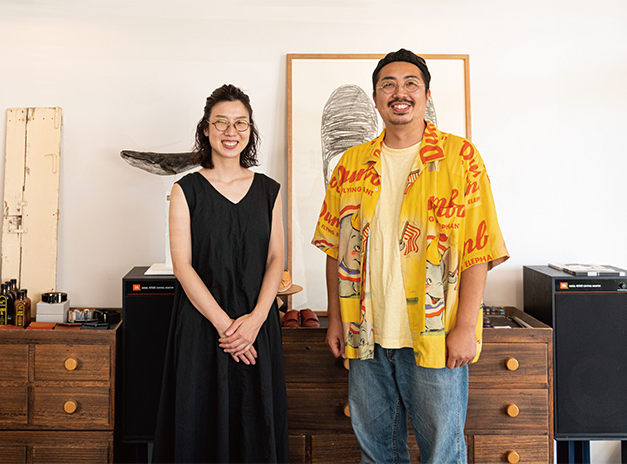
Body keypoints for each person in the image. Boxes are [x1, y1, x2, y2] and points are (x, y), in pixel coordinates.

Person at [312, 49, 509, 464]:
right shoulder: (351, 164)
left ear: (426, 95)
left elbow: (478, 249)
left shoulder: (460, 158)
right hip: (365, 334)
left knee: (442, 454)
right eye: (388, 84)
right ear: (376, 97)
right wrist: (336, 319)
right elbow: (334, 247)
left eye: (410, 83)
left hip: (436, 335)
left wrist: (466, 326)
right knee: (376, 453)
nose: (399, 92)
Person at [153, 84, 289, 463]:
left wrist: (256, 320)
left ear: (250, 129)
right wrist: (228, 328)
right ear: (206, 129)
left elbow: (276, 258)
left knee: (257, 424)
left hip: (258, 327)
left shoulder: (269, 190)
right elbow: (183, 266)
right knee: (199, 425)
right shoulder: (186, 190)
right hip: (202, 327)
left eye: (240, 123)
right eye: (221, 122)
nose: (231, 131)